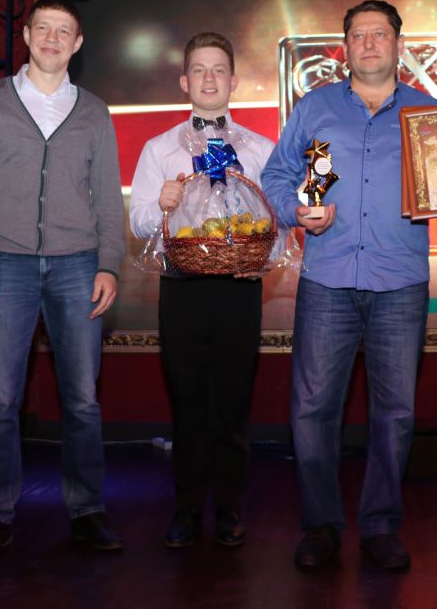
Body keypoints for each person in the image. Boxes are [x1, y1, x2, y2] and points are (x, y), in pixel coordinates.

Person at [262, 0, 437, 571]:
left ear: (398, 44)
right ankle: (320, 525)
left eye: (380, 34)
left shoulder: (431, 114)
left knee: (395, 413)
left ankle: (381, 525)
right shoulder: (315, 108)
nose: (369, 43)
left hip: (399, 282)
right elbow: (278, 175)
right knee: (312, 409)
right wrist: (296, 210)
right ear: (345, 47)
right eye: (358, 35)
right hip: (327, 277)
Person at [0, 0, 126, 561]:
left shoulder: (94, 112)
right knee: (1, 399)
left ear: (77, 44)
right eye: (43, 28)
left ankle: (87, 510)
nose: (52, 38)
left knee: (83, 400)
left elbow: (109, 199)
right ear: (26, 36)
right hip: (3, 263)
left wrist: (108, 263)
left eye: (63, 31)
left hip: (79, 265)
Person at [129, 33, 274, 549]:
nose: (209, 78)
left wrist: (264, 259)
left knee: (233, 403)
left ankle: (229, 508)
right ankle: (187, 508)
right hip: (182, 289)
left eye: (218, 70)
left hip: (239, 289)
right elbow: (139, 222)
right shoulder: (159, 148)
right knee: (188, 403)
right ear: (184, 82)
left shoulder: (261, 149)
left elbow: (277, 221)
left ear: (234, 82)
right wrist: (162, 205)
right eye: (199, 70)